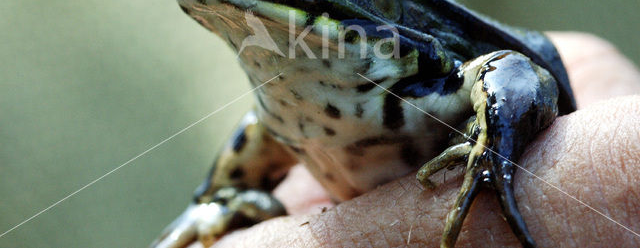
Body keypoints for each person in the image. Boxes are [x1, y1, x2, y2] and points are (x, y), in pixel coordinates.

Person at [189, 33, 640, 248]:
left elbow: (516, 71)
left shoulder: (434, 82)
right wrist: (217, 204)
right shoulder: (278, 124)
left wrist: (492, 159)